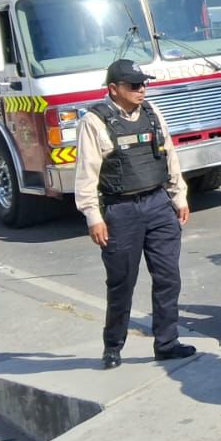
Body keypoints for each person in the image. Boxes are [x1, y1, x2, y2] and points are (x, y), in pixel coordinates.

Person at [76, 59, 194, 370]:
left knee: (168, 277)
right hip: (120, 210)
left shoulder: (152, 112)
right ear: (114, 89)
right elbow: (87, 172)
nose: (141, 90)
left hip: (158, 204)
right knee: (121, 283)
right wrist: (93, 216)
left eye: (143, 84)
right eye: (134, 85)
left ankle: (167, 343)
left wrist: (178, 196)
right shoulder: (94, 121)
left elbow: (169, 156)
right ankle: (113, 346)